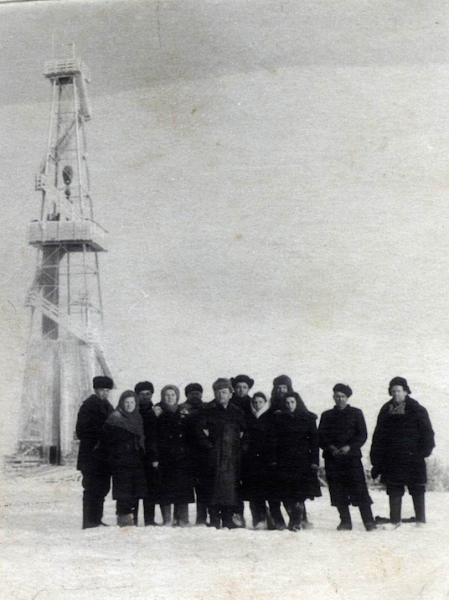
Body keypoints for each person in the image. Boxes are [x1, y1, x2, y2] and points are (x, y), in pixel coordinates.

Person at [370, 377, 435, 527]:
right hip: (392, 458)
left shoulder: (417, 409)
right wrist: (376, 460)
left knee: (417, 488)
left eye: (399, 391)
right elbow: (378, 436)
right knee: (394, 488)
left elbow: (428, 433)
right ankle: (395, 520)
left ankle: (420, 520)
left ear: (406, 392)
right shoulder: (385, 410)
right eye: (393, 391)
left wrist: (422, 452)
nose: (396, 394)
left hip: (413, 458)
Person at [318, 384, 376, 532]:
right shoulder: (326, 415)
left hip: (352, 458)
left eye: (343, 396)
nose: (340, 399)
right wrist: (330, 447)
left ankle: (369, 522)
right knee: (338, 491)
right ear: (333, 397)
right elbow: (320, 436)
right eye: (337, 396)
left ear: (347, 397)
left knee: (359, 489)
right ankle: (345, 522)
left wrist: (349, 447)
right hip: (333, 459)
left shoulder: (356, 413)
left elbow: (362, 435)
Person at [195, 378, 246, 529]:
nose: (221, 395)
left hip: (232, 457)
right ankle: (214, 518)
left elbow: (246, 433)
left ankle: (228, 518)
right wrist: (209, 446)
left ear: (230, 393)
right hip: (214, 457)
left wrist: (241, 448)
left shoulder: (237, 412)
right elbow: (198, 431)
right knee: (213, 487)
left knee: (230, 489)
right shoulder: (207, 411)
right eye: (218, 392)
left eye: (224, 392)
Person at [273, 392, 321, 531]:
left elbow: (314, 441)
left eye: (292, 402)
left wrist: (314, 461)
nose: (289, 405)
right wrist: (273, 459)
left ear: (297, 403)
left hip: (302, 461)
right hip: (284, 461)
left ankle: (296, 522)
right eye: (287, 403)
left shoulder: (308, 418)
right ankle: (297, 520)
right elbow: (273, 441)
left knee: (300, 493)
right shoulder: (278, 419)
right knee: (285, 492)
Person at [104, 390, 148, 526]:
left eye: (132, 402)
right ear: (121, 403)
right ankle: (124, 521)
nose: (129, 405)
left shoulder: (138, 418)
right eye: (126, 402)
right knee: (123, 493)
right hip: (121, 462)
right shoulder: (114, 419)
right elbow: (108, 442)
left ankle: (134, 519)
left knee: (135, 491)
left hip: (136, 460)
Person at [76, 375, 114, 529]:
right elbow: (81, 431)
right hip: (91, 456)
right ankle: (89, 521)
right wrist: (98, 438)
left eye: (107, 390)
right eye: (102, 390)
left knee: (102, 488)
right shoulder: (88, 406)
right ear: (95, 389)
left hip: (104, 457)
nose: (104, 393)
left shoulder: (108, 406)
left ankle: (97, 519)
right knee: (91, 489)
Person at [156, 385, 195, 526]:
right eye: (167, 395)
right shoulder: (158, 412)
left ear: (177, 396)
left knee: (182, 488)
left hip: (183, 457)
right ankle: (167, 519)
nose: (170, 398)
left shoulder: (184, 412)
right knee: (166, 488)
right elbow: (153, 437)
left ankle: (182, 518)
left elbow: (191, 434)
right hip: (165, 457)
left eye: (173, 395)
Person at [241, 392, 277, 529]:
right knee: (254, 491)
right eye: (255, 402)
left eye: (260, 402)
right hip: (251, 460)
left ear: (265, 403)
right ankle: (258, 519)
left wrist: (272, 456)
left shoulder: (271, 416)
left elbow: (274, 439)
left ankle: (274, 519)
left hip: (267, 460)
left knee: (270, 491)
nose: (257, 405)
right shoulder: (248, 417)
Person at [179, 383, 208, 525]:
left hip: (203, 454)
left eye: (197, 393)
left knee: (202, 488)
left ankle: (201, 518)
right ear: (187, 395)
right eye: (191, 393)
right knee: (183, 487)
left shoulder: (207, 408)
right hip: (186, 454)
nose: (195, 395)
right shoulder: (181, 409)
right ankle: (181, 518)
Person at [134, 381, 159, 526]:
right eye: (142, 394)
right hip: (135, 455)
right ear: (137, 395)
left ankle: (150, 520)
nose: (145, 397)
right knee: (135, 488)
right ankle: (133, 520)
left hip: (151, 455)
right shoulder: (133, 410)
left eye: (148, 394)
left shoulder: (156, 411)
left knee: (150, 488)